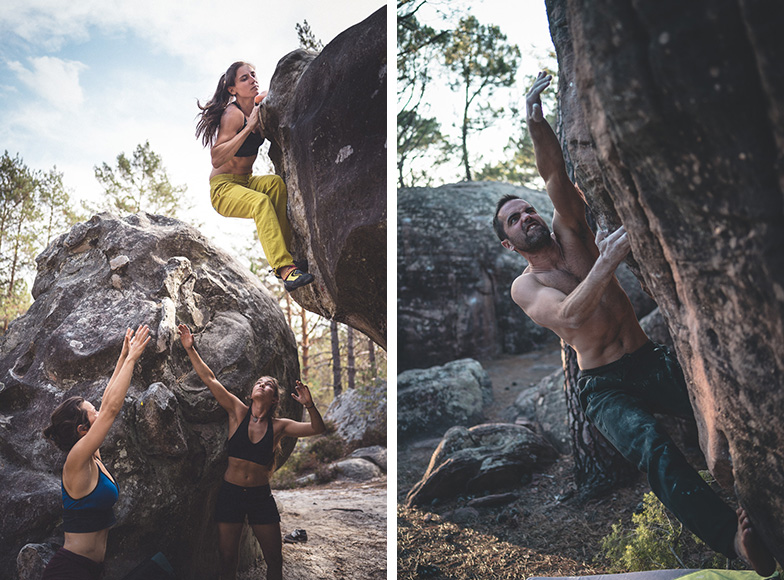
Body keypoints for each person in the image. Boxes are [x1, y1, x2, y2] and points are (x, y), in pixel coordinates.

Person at [493, 72, 777, 575]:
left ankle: (752, 484)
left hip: (647, 356)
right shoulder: (525, 287)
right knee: (653, 449)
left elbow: (555, 176)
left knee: (721, 407)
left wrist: (535, 123)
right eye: (514, 221)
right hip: (604, 387)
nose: (527, 218)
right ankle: (734, 542)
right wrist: (607, 263)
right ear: (508, 243)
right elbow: (568, 315)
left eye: (526, 211)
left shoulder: (570, 230)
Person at [177, 324, 326, 580]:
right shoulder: (238, 412)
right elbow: (209, 379)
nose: (261, 385)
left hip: (260, 497)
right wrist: (190, 349)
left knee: (274, 559)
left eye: (268, 385)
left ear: (274, 399)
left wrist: (310, 404)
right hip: (230, 494)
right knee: (227, 559)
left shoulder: (279, 427)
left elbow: (317, 429)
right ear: (252, 392)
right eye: (259, 382)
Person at [41, 325, 151, 580]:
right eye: (94, 413)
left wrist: (123, 356)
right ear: (83, 430)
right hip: (69, 571)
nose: (99, 412)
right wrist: (133, 358)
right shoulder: (76, 460)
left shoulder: (92, 456)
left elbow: (107, 399)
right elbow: (111, 410)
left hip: (91, 570)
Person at [195, 61, 313, 292]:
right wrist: (249, 128)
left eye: (253, 75)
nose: (252, 80)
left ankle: (287, 256)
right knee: (260, 203)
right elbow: (216, 157)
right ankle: (284, 269)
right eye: (244, 79)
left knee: (276, 184)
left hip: (247, 182)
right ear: (232, 90)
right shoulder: (233, 114)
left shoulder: (260, 105)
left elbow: (278, 93)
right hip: (223, 189)